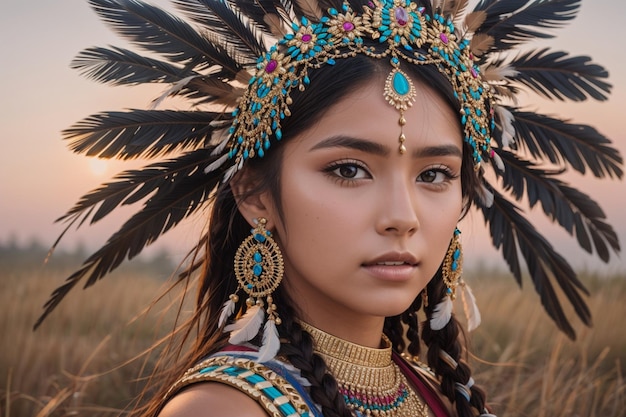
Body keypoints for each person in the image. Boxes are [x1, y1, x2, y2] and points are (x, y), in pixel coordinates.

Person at [36, 0, 623, 416]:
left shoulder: (434, 392)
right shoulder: (222, 409)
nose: (404, 215)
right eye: (348, 170)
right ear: (254, 194)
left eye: (435, 174)